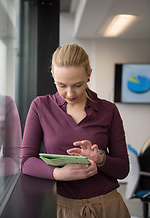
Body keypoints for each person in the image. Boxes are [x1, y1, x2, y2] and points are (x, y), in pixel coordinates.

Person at [21, 43, 130, 218]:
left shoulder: (109, 110)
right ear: (53, 76)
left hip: (108, 207)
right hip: (60, 207)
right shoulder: (40, 106)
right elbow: (26, 161)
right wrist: (58, 173)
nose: (70, 93)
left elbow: (123, 169)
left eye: (77, 85)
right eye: (62, 85)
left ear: (89, 75)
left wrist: (100, 158)